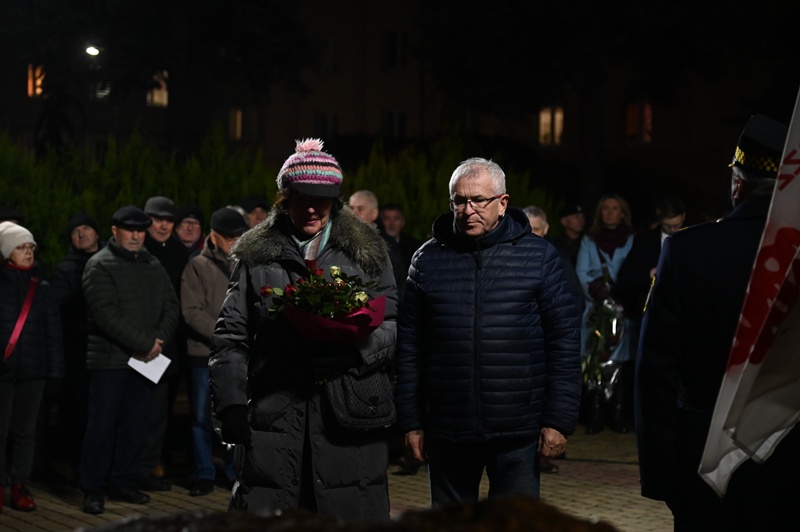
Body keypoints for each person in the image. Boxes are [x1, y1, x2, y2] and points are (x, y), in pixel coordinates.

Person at [210, 138, 398, 520]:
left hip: (349, 410)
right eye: (301, 197)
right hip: (275, 412)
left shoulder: (366, 252)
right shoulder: (255, 255)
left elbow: (393, 323)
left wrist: (353, 352)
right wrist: (230, 404)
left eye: (322, 199)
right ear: (284, 198)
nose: (312, 208)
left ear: (336, 200)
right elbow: (231, 335)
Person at [636, 114, 800, 530]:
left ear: (737, 183)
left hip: (703, 452)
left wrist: (661, 475)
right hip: (788, 452)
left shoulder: (688, 251)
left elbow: (657, 372)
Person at [395, 157, 581, 506]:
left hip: (518, 429)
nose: (468, 210)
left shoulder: (539, 257)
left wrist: (559, 419)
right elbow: (409, 346)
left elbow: (564, 341)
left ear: (502, 202)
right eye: (459, 201)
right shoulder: (428, 260)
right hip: (448, 427)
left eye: (478, 200)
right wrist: (410, 421)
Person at [79, 206, 180, 515]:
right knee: (102, 427)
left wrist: (158, 339)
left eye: (140, 230)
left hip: (145, 361)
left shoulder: (152, 263)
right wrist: (146, 343)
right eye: (129, 230)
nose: (136, 236)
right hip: (109, 362)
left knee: (136, 425)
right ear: (115, 231)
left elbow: (171, 305)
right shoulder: (99, 264)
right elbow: (106, 314)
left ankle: (124, 481)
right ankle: (93, 489)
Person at [180, 207, 249, 496]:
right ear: (214, 236)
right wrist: (225, 335)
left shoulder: (247, 263)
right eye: (229, 237)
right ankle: (204, 473)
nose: (235, 241)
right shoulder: (197, 265)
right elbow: (191, 312)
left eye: (239, 236)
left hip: (239, 355)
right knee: (201, 418)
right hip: (204, 355)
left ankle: (235, 473)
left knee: (235, 414)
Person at [0, 222, 64, 513]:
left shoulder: (42, 289)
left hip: (33, 372)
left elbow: (53, 334)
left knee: (26, 431)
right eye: (20, 247)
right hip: (3, 372)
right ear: (6, 252)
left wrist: (55, 374)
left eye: (30, 247)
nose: (28, 253)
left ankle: (20, 485)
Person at [615, 197, 686, 430]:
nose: (673, 230)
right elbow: (625, 279)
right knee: (645, 370)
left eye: (677, 225)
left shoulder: (691, 238)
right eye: (668, 226)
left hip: (681, 319)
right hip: (648, 317)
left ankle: (672, 420)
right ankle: (640, 418)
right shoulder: (645, 241)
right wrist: (648, 274)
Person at [49, 214, 104, 474]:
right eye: (75, 231)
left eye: (86, 228)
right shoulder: (66, 269)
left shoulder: (112, 261)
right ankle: (73, 461)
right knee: (77, 407)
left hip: (108, 347)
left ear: (97, 232)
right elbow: (61, 310)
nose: (81, 234)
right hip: (78, 350)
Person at [575, 194, 634, 434]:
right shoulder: (589, 241)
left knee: (619, 362)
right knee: (593, 360)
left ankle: (617, 415)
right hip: (595, 310)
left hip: (622, 311)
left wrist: (620, 294)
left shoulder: (631, 240)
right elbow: (582, 272)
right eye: (605, 208)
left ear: (622, 213)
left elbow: (633, 271)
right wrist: (599, 292)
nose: (609, 212)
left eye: (614, 208)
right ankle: (595, 416)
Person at [141, 195, 188, 491]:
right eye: (157, 220)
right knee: (137, 409)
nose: (162, 226)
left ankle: (152, 463)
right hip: (138, 342)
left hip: (169, 344)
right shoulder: (137, 249)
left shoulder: (179, 252)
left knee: (160, 411)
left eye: (168, 221)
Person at [348, 190, 406, 299]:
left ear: (374, 213)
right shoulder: (339, 239)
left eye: (360, 209)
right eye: (351, 208)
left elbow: (397, 282)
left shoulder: (386, 244)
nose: (353, 213)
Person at [380, 202, 422, 278]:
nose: (391, 224)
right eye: (387, 218)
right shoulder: (375, 246)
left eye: (396, 218)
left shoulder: (414, 247)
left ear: (402, 222)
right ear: (382, 222)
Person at [552, 202, 586, 266]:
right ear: (564, 221)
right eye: (576, 217)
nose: (581, 220)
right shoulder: (557, 245)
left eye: (583, 217)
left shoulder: (586, 242)